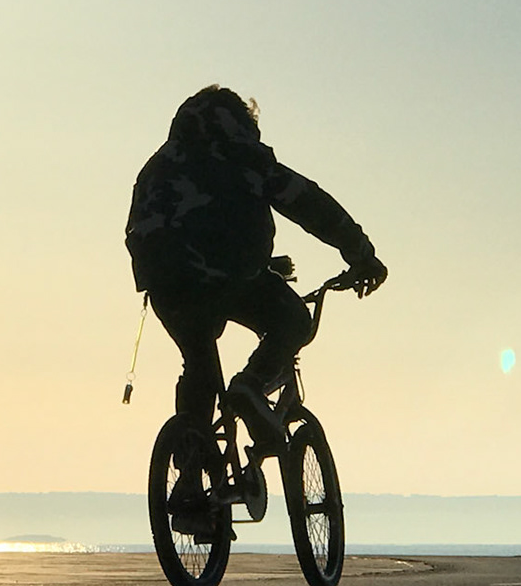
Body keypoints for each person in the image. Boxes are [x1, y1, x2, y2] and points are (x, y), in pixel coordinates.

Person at [124, 86, 388, 461]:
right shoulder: (241, 156)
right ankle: (252, 385)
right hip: (229, 276)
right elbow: (309, 204)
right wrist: (362, 255)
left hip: (165, 284)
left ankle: (190, 473)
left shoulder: (156, 167)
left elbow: (167, 229)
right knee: (295, 320)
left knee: (198, 363)